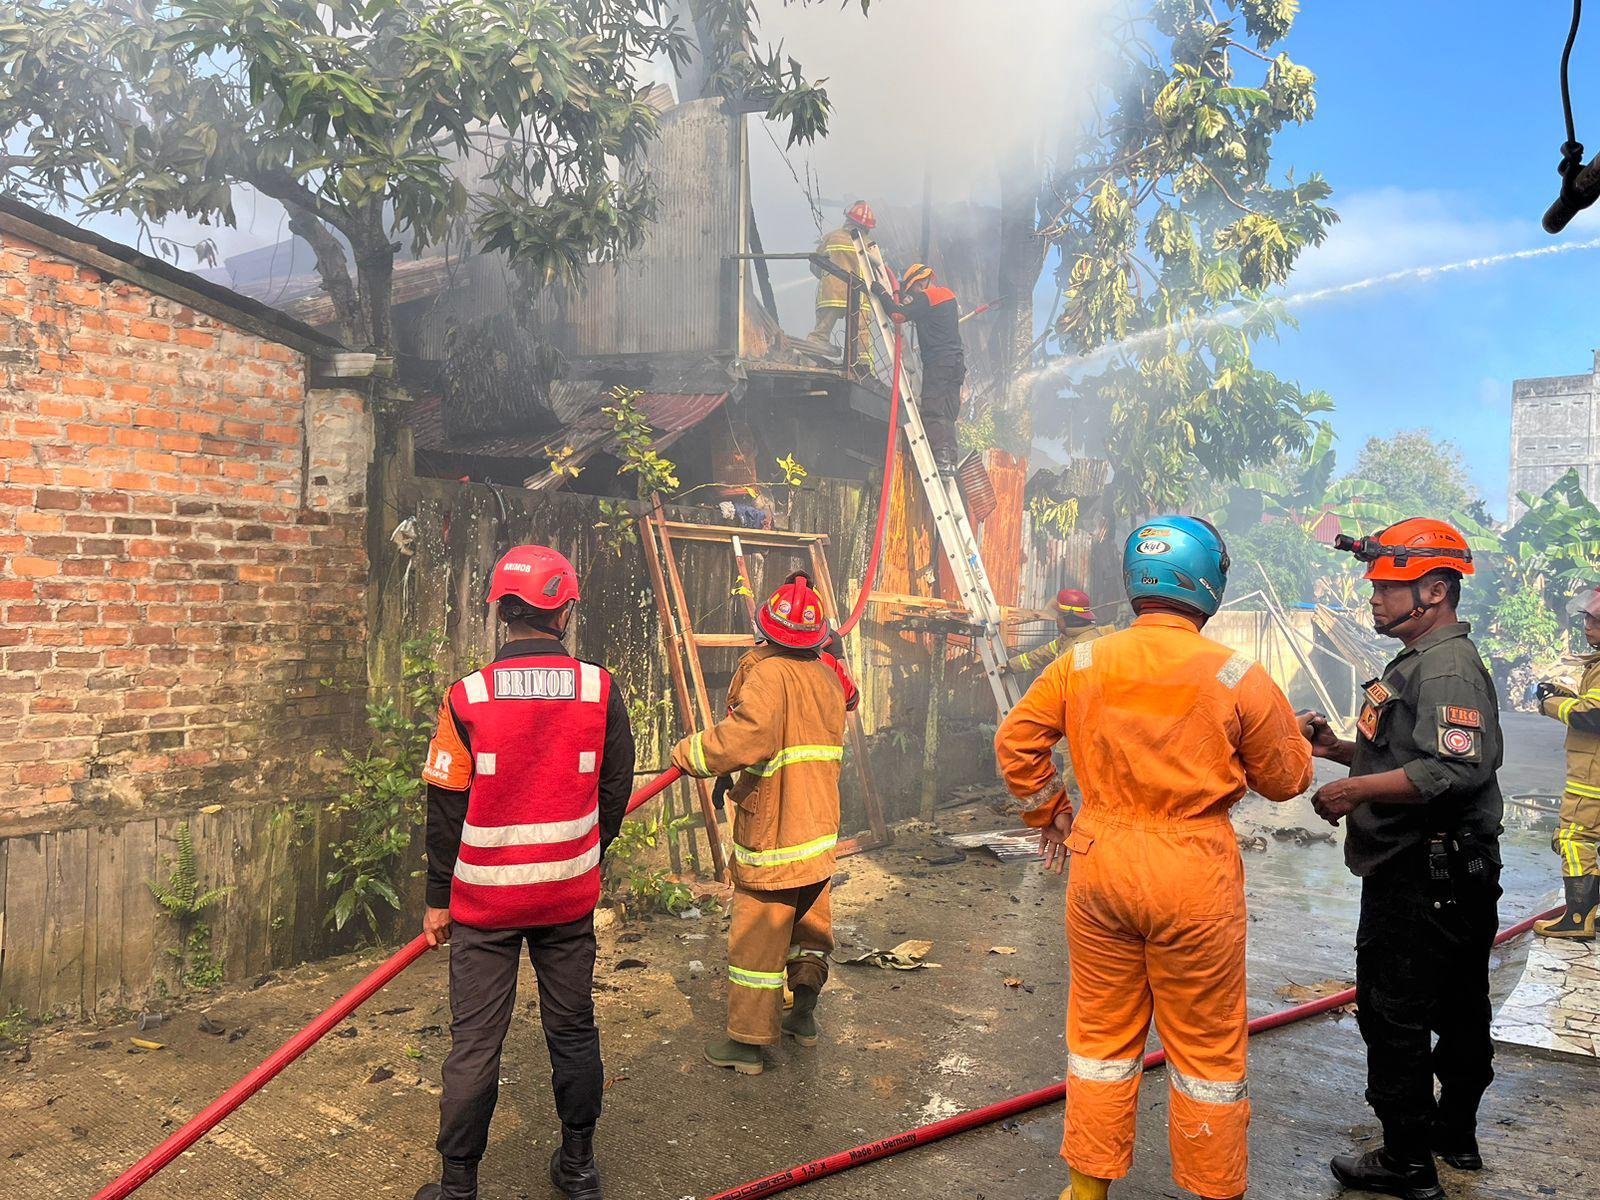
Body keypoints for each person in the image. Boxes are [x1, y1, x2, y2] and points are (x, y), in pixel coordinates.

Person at [994, 516, 1312, 1200]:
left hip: (1100, 862)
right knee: (1206, 1055)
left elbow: (1017, 742)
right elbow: (1287, 780)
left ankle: (1085, 1191)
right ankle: (1212, 1189)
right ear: (1208, 582)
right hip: (1194, 874)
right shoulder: (1236, 672)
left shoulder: (1081, 662)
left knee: (1101, 1041)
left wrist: (1051, 813)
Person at [416, 545, 636, 1200]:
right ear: (564, 611)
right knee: (572, 1028)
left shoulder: (466, 697)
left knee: (475, 1044)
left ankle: (458, 1188)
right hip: (567, 899)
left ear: (502, 612)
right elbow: (616, 787)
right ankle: (578, 1169)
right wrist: (587, 854)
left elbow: (444, 811)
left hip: (483, 907)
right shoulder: (600, 689)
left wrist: (437, 900)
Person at [1299, 518, 1503, 1199]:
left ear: (1436, 590)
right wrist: (1336, 749)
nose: (1374, 597)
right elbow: (1406, 757)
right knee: (1457, 1004)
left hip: (1424, 873)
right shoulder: (1418, 663)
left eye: (1389, 586)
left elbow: (1453, 769)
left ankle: (1407, 1161)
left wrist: (1352, 789)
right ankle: (1454, 1136)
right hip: (1441, 869)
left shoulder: (1444, 665)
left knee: (1396, 1013)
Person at [670, 572, 850, 1076]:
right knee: (810, 925)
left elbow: (744, 740)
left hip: (775, 833)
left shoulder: (767, 675)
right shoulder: (829, 674)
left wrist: (687, 752)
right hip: (817, 829)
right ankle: (804, 1018)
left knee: (758, 936)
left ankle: (748, 1044)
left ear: (763, 630)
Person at [871, 262, 966, 473]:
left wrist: (882, 293)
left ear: (921, 281)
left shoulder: (927, 297)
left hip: (939, 363)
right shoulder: (947, 296)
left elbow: (897, 315)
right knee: (948, 413)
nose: (913, 294)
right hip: (956, 363)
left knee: (933, 410)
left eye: (913, 288)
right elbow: (925, 315)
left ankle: (940, 459)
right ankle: (950, 459)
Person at [809, 200, 876, 372]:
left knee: (822, 330)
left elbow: (815, 263)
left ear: (848, 218)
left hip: (832, 292)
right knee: (861, 334)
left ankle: (813, 350)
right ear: (867, 227)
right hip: (859, 298)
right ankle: (862, 366)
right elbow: (875, 273)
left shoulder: (831, 237)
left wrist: (824, 278)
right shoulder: (869, 245)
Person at [1005, 587, 1110, 678]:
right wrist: (1010, 666)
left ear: (1070, 619)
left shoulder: (1083, 647)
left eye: (1058, 616)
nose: (1056, 620)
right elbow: (1041, 655)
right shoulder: (1068, 638)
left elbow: (1070, 685)